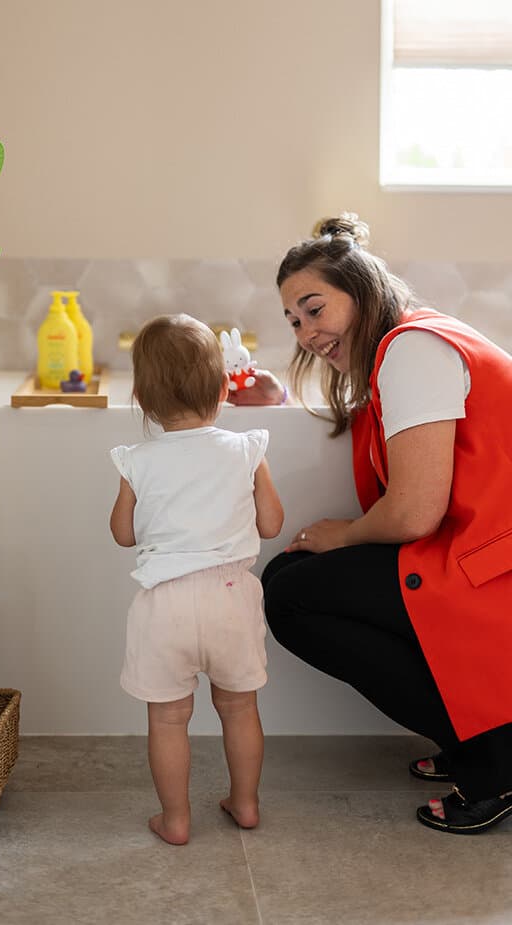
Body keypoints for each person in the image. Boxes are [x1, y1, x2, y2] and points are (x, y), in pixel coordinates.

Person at [229, 212, 512, 834]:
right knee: (289, 579)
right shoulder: (407, 344)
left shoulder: (412, 350)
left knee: (292, 595)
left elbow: (414, 511)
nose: (306, 333)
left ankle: (495, 757)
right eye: (293, 321)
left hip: (491, 564)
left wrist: (343, 534)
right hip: (476, 550)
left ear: (359, 293)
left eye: (314, 310)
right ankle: (478, 737)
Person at [109, 314, 284, 845]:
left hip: (165, 605)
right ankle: (246, 803)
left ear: (141, 399)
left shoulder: (137, 461)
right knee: (239, 708)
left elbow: (123, 534)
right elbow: (272, 524)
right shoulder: (247, 449)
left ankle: (176, 820)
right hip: (231, 598)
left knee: (168, 720)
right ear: (223, 390)